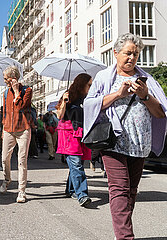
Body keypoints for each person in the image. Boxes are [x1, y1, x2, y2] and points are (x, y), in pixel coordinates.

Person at [83, 33, 167, 240]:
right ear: (116, 53)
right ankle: (125, 236)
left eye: (136, 54)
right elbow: (90, 105)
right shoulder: (104, 77)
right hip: (113, 143)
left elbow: (160, 113)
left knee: (131, 191)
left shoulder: (148, 81)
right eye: (128, 53)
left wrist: (145, 95)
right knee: (119, 190)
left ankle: (121, 230)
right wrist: (118, 94)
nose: (131, 58)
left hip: (139, 144)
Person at [55, 73, 92, 207]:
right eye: (89, 84)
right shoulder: (68, 95)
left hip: (81, 133)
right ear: (81, 84)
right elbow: (59, 115)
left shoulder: (87, 98)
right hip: (68, 134)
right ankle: (82, 194)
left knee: (77, 164)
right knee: (76, 163)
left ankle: (70, 189)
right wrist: (64, 102)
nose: (90, 87)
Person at [0, 66, 32, 203]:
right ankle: (7, 179)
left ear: (13, 78)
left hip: (23, 129)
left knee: (21, 160)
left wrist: (17, 91)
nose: (5, 80)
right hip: (8, 129)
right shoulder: (6, 93)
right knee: (4, 158)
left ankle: (21, 191)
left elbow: (20, 107)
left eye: (6, 78)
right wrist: (3, 128)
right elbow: (5, 112)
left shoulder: (27, 91)